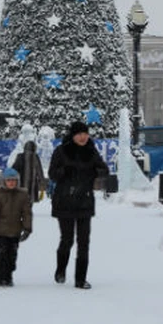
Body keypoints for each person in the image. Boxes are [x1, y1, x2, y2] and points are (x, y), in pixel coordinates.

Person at [48, 120, 109, 289]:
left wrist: (95, 172)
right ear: (73, 135)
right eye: (79, 134)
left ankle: (80, 279)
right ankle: (61, 270)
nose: (83, 137)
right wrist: (64, 172)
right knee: (67, 240)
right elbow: (52, 173)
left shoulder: (91, 151)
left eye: (85, 133)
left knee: (84, 242)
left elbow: (104, 170)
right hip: (65, 201)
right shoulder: (61, 151)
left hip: (85, 201)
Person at [0, 167, 32, 287]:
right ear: (3, 181)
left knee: (12, 255)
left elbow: (27, 214)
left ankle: (8, 276)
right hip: (0, 232)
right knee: (1, 254)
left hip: (15, 231)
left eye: (14, 181)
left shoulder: (22, 196)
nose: (11, 183)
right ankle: (0, 277)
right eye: (9, 180)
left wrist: (27, 229)